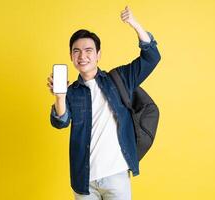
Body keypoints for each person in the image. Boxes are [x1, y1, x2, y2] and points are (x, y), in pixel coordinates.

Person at [47, 6, 161, 200]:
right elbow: (60, 122)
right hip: (84, 181)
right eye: (77, 52)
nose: (82, 56)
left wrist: (134, 23)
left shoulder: (119, 78)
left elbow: (152, 57)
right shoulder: (71, 92)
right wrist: (59, 96)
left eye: (88, 50)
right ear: (71, 57)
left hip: (116, 175)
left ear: (98, 54)